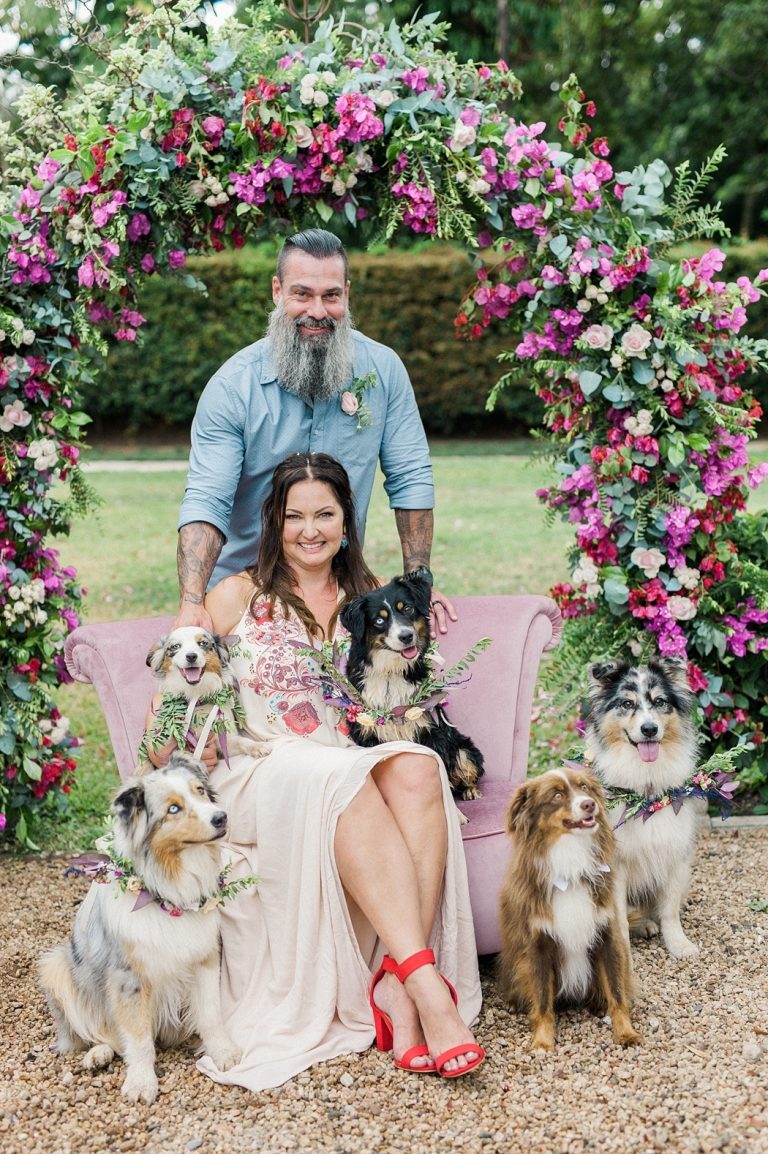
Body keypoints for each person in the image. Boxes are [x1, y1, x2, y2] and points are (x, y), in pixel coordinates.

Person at [147, 452, 484, 1091]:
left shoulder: (371, 596)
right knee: (338, 773)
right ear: (274, 523)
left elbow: (412, 694)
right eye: (294, 516)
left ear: (346, 522)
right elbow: (164, 713)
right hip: (263, 768)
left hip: (351, 757)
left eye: (324, 514)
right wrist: (189, 739)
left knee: (416, 767)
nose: (310, 529)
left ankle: (392, 978)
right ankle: (425, 989)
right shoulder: (234, 596)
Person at [176, 227, 457, 636]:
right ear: (277, 291)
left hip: (339, 585)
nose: (318, 311)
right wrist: (192, 602)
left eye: (331, 296)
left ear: (347, 293)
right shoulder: (233, 387)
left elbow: (411, 478)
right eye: (302, 294)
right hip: (241, 595)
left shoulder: (384, 371)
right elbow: (207, 499)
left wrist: (419, 583)